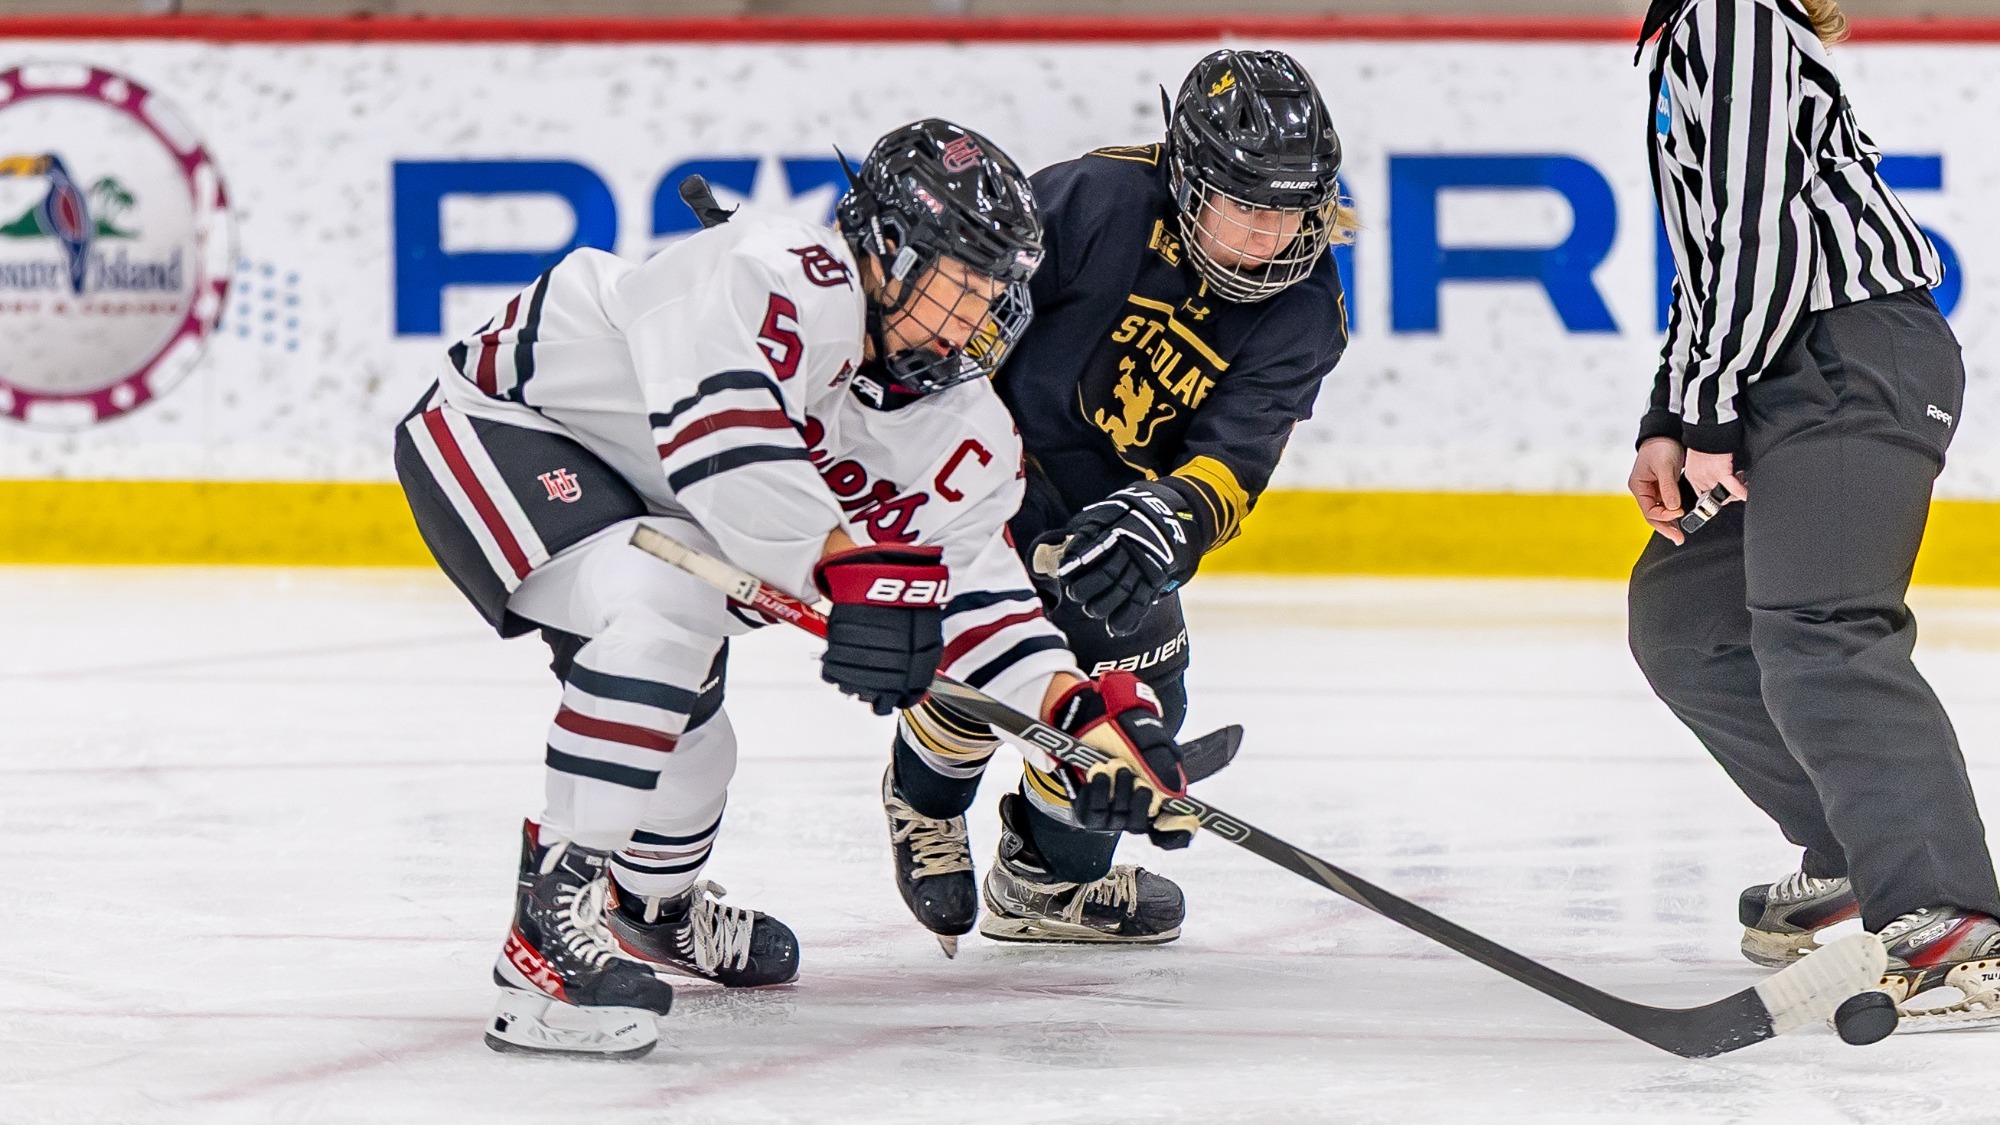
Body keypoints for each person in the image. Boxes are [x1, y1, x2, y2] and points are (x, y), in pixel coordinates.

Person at [394, 120, 1207, 1057]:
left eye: (995, 290)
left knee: (696, 754)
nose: (976, 316)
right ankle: (542, 944)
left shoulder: (965, 428)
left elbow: (981, 597)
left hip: (655, 512)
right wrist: (846, 567)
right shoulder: (773, 270)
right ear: (888, 252)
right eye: (959, 282)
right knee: (661, 611)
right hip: (511, 428)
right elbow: (723, 447)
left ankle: (649, 909)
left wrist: (1083, 714)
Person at [880, 50, 1355, 949]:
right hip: (992, 472)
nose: (1270, 237)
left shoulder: (1308, 310)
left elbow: (1237, 459)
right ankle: (926, 797)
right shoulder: (1093, 202)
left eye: (1291, 210)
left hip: (1117, 513)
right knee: (981, 656)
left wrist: (1164, 523)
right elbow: (959, 335)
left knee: (1144, 713)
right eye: (1247, 208)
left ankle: (1044, 880)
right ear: (1188, 178)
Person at [1628, 0, 2000, 1027]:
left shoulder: (1731, 8)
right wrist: (1673, 411)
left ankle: (1948, 911)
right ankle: (1851, 838)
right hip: (1788, 369)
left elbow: (1761, 233)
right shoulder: (1689, 26)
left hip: (1847, 357)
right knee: (1685, 621)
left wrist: (1705, 408)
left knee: (1821, 625)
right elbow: (1708, 257)